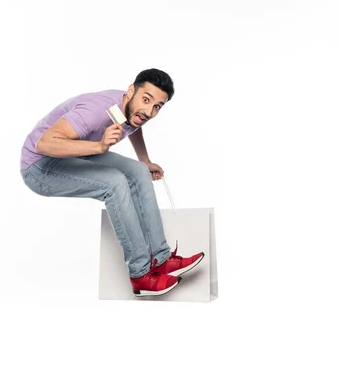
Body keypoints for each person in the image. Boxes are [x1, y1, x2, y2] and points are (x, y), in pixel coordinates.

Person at [19, 68, 204, 296]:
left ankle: (161, 258)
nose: (148, 111)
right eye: (146, 100)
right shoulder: (95, 112)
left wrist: (144, 160)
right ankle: (140, 274)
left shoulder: (129, 106)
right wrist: (99, 146)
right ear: (131, 91)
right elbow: (44, 144)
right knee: (115, 182)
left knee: (137, 171)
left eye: (157, 106)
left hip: (75, 152)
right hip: (40, 166)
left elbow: (134, 125)